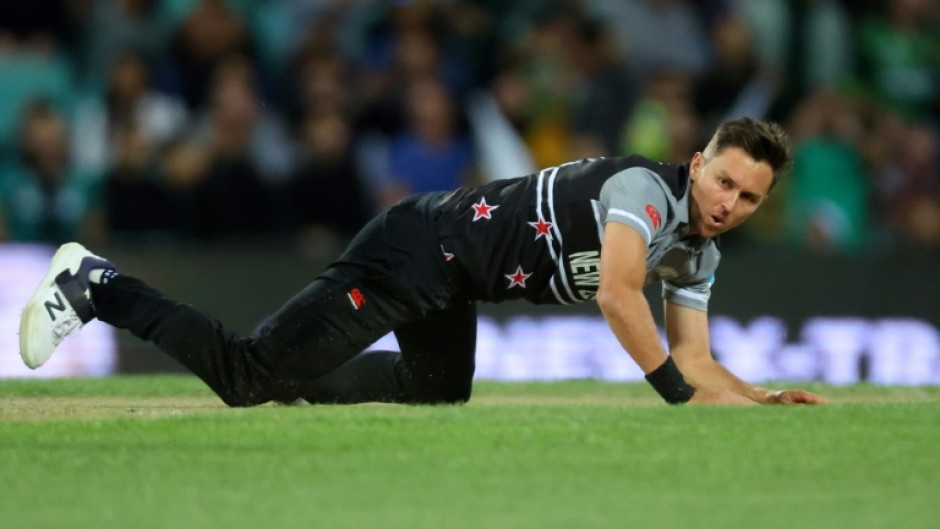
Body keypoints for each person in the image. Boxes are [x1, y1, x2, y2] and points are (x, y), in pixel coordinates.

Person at [19, 117, 828, 406]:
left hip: (457, 276)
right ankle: (98, 284)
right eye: (725, 180)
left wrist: (756, 398)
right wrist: (682, 400)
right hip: (418, 250)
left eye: (750, 197)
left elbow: (694, 355)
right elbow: (619, 296)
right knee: (245, 378)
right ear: (696, 163)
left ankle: (297, 384)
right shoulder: (644, 194)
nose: (730, 203)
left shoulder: (696, 250)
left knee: (440, 388)